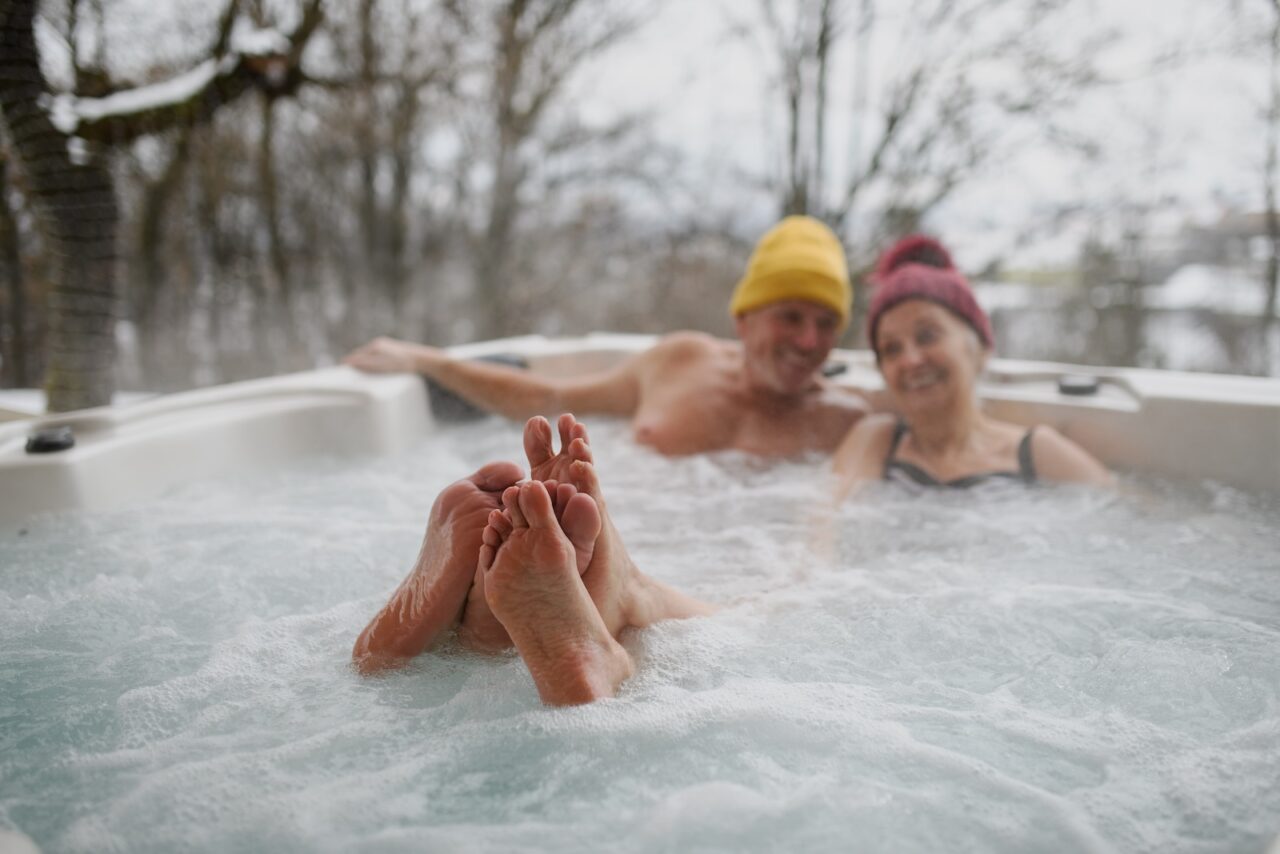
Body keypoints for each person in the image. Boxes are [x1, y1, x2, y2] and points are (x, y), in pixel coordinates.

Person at [344, 216, 869, 457]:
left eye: (827, 324)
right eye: (791, 317)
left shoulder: (844, 419)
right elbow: (551, 401)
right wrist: (431, 362)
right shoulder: (680, 361)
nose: (809, 341)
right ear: (745, 318)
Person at [352, 414, 714, 705]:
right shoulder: (685, 356)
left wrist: (421, 360)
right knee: (751, 613)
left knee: (750, 611)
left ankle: (482, 633)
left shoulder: (679, 359)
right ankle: (605, 609)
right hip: (722, 642)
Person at [831, 235, 1112, 498]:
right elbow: (823, 533)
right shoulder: (875, 440)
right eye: (891, 349)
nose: (910, 360)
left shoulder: (1036, 452)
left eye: (927, 335)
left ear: (981, 348)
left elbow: (1132, 516)